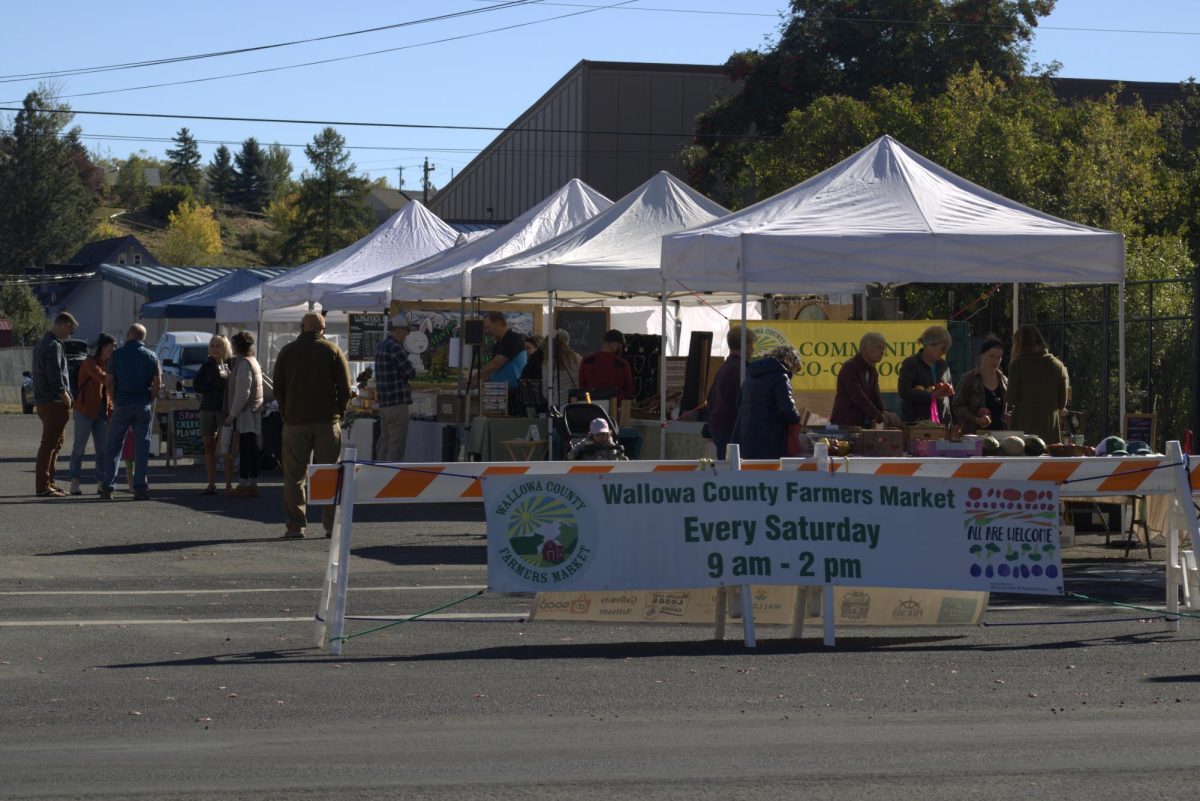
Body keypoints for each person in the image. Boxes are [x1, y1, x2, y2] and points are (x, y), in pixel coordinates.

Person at [272, 312, 351, 539]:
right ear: (323, 329)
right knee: (328, 473)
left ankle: (296, 525)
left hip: (295, 422)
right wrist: (340, 411)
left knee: (294, 476)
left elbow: (278, 386)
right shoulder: (332, 350)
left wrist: (286, 411)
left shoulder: (287, 351)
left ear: (302, 327)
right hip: (327, 422)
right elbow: (345, 388)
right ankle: (329, 526)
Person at [101, 323, 162, 501]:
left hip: (123, 403)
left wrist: (114, 398)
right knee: (141, 447)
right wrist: (149, 397)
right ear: (144, 337)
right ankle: (140, 487)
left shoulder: (116, 355)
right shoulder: (152, 356)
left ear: (129, 335)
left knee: (114, 447)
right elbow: (158, 382)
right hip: (142, 403)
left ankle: (108, 487)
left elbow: (109, 381)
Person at [31, 312, 78, 496]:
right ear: (64, 324)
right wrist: (65, 395)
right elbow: (55, 375)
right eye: (70, 330)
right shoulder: (54, 345)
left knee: (55, 443)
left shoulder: (42, 343)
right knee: (49, 444)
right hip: (55, 401)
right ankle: (43, 486)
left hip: (43, 401)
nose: (69, 335)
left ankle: (49, 481)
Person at [730, 345, 803, 460]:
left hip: (745, 436)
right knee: (770, 475)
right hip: (769, 438)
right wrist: (797, 419)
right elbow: (787, 408)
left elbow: (738, 403)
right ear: (790, 362)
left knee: (750, 474)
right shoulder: (780, 376)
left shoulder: (750, 376)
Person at [67, 332, 116, 495]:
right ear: (103, 346)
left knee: (102, 449)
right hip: (85, 410)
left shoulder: (109, 363)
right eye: (111, 347)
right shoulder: (90, 362)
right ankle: (74, 481)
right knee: (79, 448)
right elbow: (103, 379)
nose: (113, 350)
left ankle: (101, 482)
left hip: (102, 412)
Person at [1007, 325, 1069, 444]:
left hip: (1022, 428)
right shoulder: (1057, 366)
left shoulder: (1017, 365)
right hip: (1049, 428)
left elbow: (1010, 399)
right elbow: (1062, 403)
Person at [830, 332, 903, 429]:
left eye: (883, 349)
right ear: (865, 348)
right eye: (878, 347)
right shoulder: (850, 367)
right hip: (846, 423)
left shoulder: (873, 371)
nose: (882, 352)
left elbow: (875, 395)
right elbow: (858, 396)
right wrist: (879, 416)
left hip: (862, 423)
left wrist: (885, 411)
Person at [705, 326, 756, 459]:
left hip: (719, 426)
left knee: (726, 467)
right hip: (731, 427)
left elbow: (710, 398)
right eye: (751, 345)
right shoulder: (741, 369)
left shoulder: (724, 367)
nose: (753, 349)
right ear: (745, 345)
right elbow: (744, 402)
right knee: (733, 471)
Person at [193, 335, 234, 495]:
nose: (215, 349)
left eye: (218, 345)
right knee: (208, 444)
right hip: (207, 408)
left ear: (225, 348)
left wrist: (224, 380)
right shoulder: (206, 366)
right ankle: (211, 483)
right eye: (213, 345)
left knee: (226, 447)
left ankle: (229, 484)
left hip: (224, 409)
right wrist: (212, 384)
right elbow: (197, 385)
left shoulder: (232, 364)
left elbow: (231, 386)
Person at [225, 331, 264, 497]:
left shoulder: (243, 364)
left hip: (246, 412)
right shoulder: (253, 361)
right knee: (252, 450)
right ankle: (253, 484)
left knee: (246, 449)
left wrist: (232, 415)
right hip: (255, 409)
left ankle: (243, 484)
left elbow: (242, 393)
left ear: (236, 346)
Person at [374, 322, 418, 462]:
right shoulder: (395, 348)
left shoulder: (381, 346)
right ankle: (391, 476)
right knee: (396, 445)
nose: (406, 337)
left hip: (384, 403)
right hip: (397, 403)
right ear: (399, 330)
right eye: (406, 333)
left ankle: (380, 473)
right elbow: (410, 372)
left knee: (384, 441)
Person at [897, 325, 954, 423]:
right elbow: (904, 391)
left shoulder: (943, 365)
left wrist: (948, 390)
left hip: (942, 423)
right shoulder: (911, 363)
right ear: (930, 344)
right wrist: (930, 396)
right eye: (942, 348)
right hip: (916, 423)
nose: (944, 352)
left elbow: (951, 397)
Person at [952, 338, 1009, 434]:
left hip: (1000, 435)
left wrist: (1009, 416)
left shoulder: (1004, 380)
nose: (995, 361)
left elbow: (1010, 406)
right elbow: (957, 406)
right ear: (982, 355)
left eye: (999, 357)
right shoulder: (969, 378)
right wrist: (976, 419)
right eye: (991, 356)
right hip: (974, 435)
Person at [578, 328, 634, 401]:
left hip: (591, 407)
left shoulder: (587, 361)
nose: (621, 350)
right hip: (615, 408)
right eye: (620, 346)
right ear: (614, 344)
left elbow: (582, 386)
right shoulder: (622, 364)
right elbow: (628, 392)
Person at [479, 311, 527, 388]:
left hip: (514, 391)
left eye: (488, 327)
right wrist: (475, 383)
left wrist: (472, 378)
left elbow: (495, 364)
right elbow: (495, 371)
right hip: (500, 391)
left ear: (498, 323)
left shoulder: (513, 338)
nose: (486, 331)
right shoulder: (497, 344)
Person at [545, 330, 582, 409]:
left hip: (559, 406)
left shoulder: (549, 362)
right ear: (567, 342)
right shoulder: (578, 358)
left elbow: (546, 392)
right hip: (578, 404)